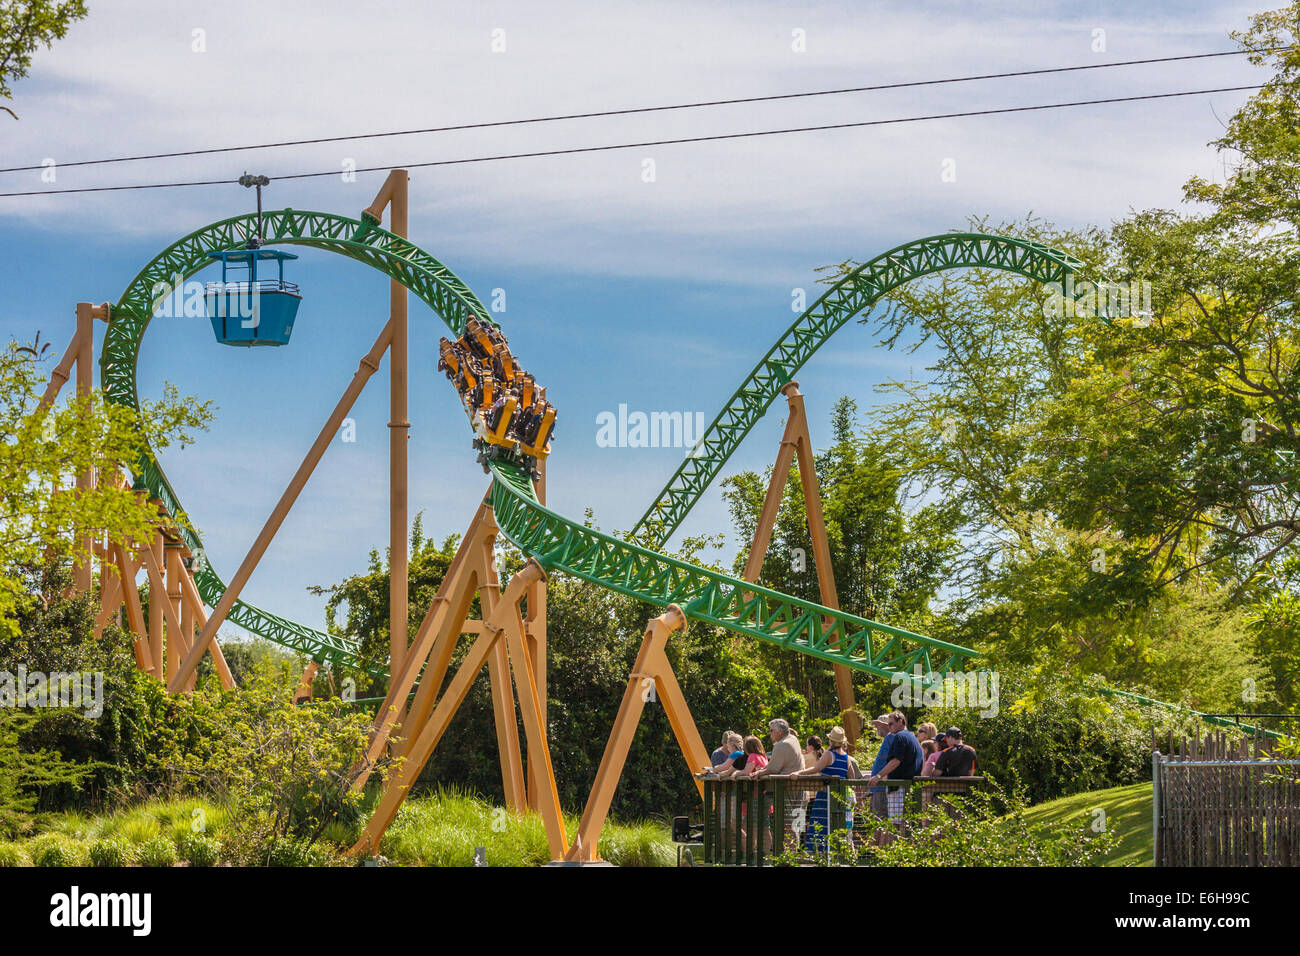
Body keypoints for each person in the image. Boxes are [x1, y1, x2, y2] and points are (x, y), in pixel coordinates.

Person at [796, 725, 853, 850]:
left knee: (819, 823)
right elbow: (851, 776)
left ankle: (817, 853)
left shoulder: (829, 754)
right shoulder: (846, 757)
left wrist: (799, 773)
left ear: (831, 740)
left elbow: (816, 769)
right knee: (835, 825)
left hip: (825, 796)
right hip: (839, 797)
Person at [866, 711, 923, 820]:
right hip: (908, 787)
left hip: (899, 787)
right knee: (906, 823)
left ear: (901, 721)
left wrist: (878, 776)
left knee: (895, 825)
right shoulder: (912, 737)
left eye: (891, 724)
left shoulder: (899, 737)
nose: (889, 726)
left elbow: (896, 760)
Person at [867, 713, 895, 819]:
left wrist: (879, 776)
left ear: (887, 725)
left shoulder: (891, 737)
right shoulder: (888, 739)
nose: (877, 727)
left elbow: (893, 761)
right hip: (878, 787)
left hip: (882, 787)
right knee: (876, 819)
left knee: (880, 820)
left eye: (879, 724)